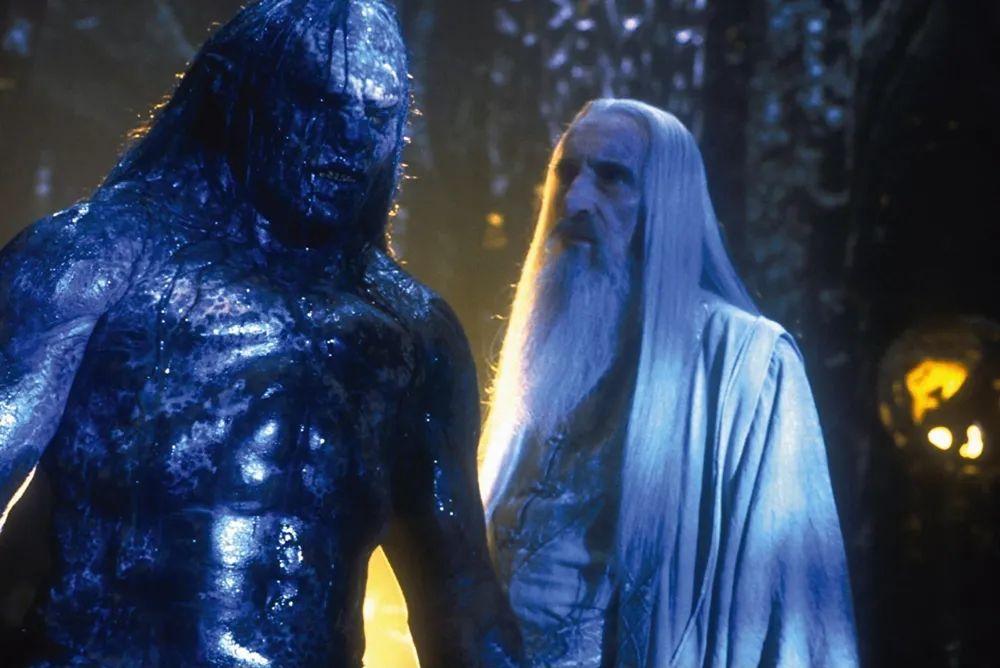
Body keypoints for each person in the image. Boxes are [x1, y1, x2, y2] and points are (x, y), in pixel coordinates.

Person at [0, 1, 521, 665]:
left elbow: (463, 599)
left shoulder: (412, 336)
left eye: (377, 114)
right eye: (321, 99)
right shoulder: (93, 261)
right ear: (232, 91)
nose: (350, 135)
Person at [480, 99, 858, 667]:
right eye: (567, 173)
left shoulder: (749, 366)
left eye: (612, 178)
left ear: (667, 205)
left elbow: (797, 614)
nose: (575, 200)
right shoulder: (548, 350)